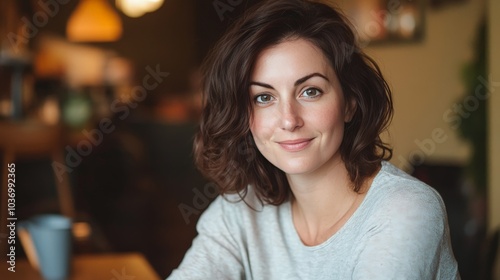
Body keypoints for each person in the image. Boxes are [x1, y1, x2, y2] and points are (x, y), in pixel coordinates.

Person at [168, 0, 460, 279]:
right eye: (264, 97)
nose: (289, 120)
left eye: (310, 91)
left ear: (350, 103)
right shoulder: (243, 208)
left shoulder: (405, 209)